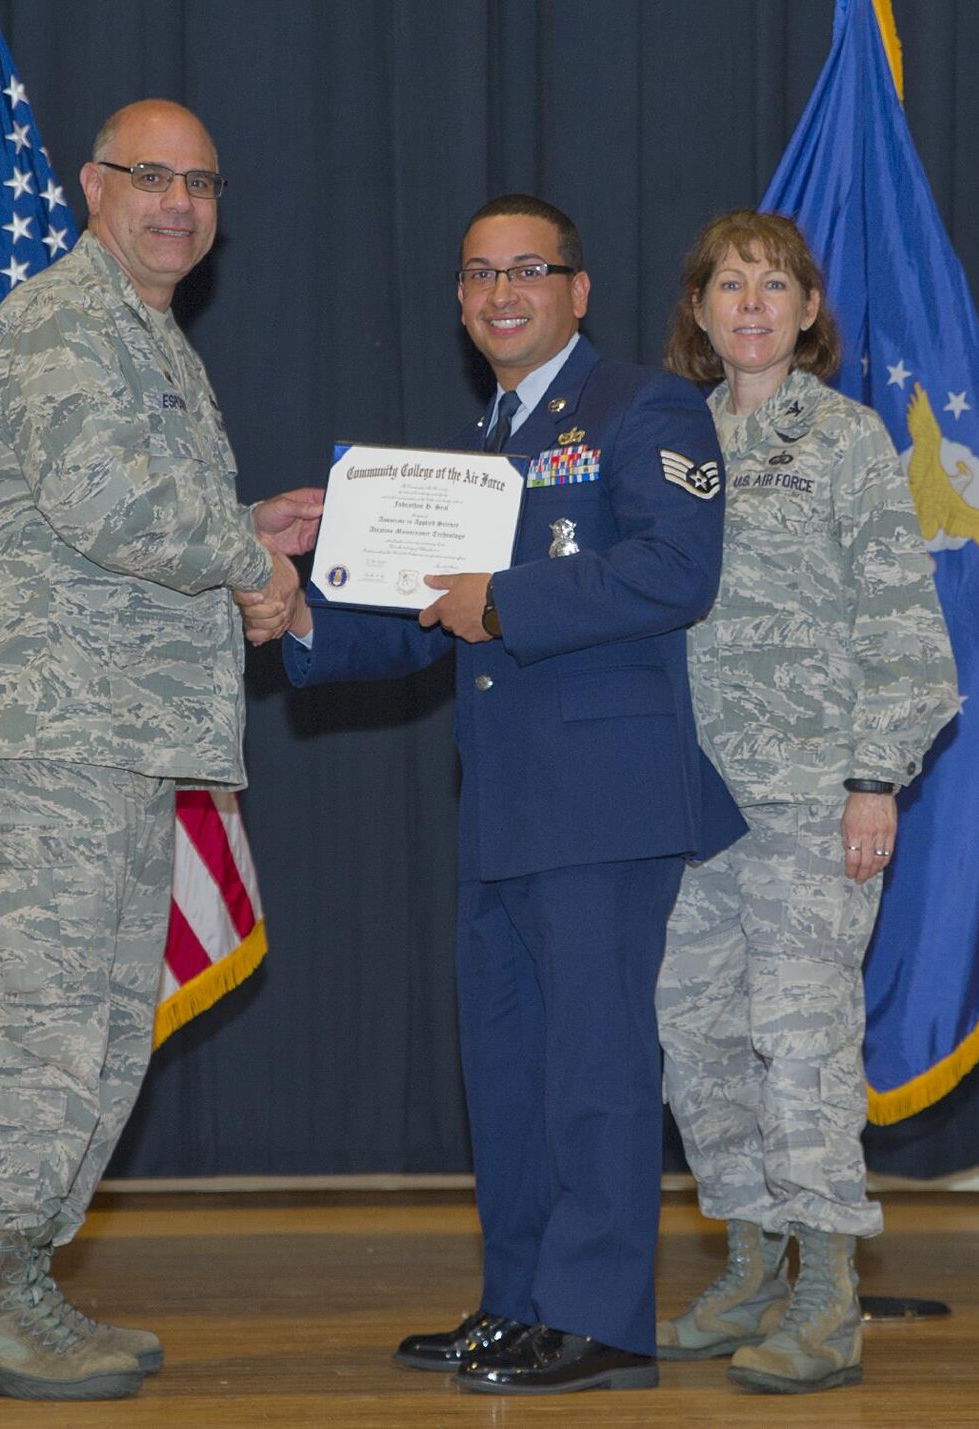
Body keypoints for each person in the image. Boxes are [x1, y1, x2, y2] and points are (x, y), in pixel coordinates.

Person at [247, 194, 747, 1396]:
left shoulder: (643, 406)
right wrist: (306, 611)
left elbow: (678, 569)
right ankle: (520, 1302)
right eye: (476, 273)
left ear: (579, 290)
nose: (499, 291)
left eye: (528, 268)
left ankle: (601, 1319)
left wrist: (507, 599)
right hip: (503, 809)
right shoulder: (471, 450)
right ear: (461, 302)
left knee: (593, 1068)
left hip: (605, 802)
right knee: (512, 1074)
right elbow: (427, 627)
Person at [0, 98, 321, 1402]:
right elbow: (107, 506)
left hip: (120, 742)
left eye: (202, 183)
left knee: (102, 1033)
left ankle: (22, 1279)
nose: (179, 204)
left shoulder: (149, 340)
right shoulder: (60, 319)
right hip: (43, 743)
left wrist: (250, 525)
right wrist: (248, 557)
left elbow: (149, 513)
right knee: (46, 1028)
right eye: (152, 177)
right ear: (95, 187)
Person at [650, 210, 958, 1394]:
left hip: (804, 801)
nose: (750, 305)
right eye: (727, 284)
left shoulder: (844, 441)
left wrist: (872, 778)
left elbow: (902, 629)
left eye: (773, 286)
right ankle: (749, 1263)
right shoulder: (667, 442)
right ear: (698, 310)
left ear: (808, 313)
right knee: (700, 1043)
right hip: (688, 805)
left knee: (801, 1045)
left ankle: (828, 1293)